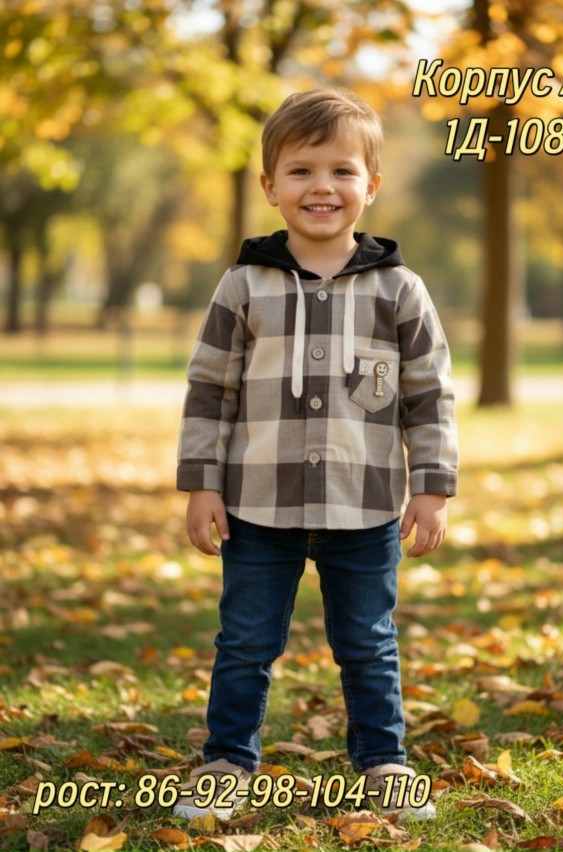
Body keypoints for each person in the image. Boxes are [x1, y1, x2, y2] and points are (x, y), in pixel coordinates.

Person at [174, 88, 458, 822]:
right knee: (244, 642)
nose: (321, 187)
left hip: (364, 507)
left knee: (368, 644)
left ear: (372, 184)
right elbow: (210, 389)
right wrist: (202, 483)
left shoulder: (400, 290)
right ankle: (226, 763)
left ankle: (384, 763)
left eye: (341, 171)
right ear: (270, 186)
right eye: (300, 171)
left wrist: (432, 486)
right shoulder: (244, 285)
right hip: (256, 507)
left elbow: (429, 395)